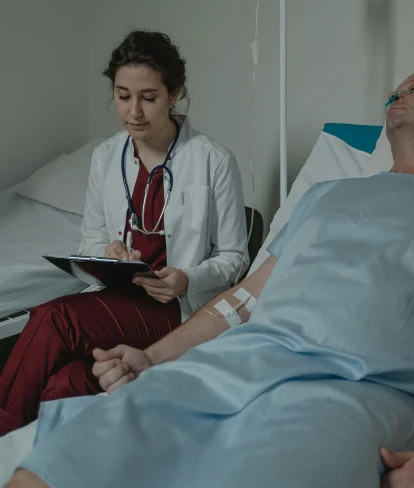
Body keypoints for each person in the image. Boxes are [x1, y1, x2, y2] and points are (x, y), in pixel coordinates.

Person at [2, 69, 414, 488]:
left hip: (358, 393)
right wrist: (153, 359)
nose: (396, 95)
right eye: (394, 92)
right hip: (229, 368)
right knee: (57, 475)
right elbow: (246, 298)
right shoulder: (327, 196)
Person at [0, 30, 248, 437]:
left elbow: (236, 258)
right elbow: (91, 238)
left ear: (175, 94)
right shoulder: (105, 156)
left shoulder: (213, 160)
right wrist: (110, 254)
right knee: (67, 383)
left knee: (56, 318)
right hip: (119, 297)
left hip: (175, 310)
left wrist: (187, 279)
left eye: (148, 98)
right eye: (122, 95)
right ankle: (42, 466)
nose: (134, 111)